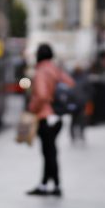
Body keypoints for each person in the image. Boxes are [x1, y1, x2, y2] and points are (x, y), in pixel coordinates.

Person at [26, 43, 74, 196]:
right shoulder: (56, 70)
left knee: (48, 152)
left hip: (45, 117)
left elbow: (41, 95)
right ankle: (46, 184)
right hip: (57, 117)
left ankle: (55, 185)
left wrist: (32, 108)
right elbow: (70, 84)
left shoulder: (41, 71)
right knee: (50, 151)